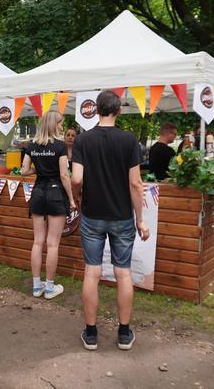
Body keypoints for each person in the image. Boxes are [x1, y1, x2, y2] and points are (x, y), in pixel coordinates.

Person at [71, 90, 149, 351]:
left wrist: (76, 197)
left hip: (92, 215)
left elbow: (77, 179)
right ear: (118, 110)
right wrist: (141, 220)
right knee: (123, 272)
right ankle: (124, 334)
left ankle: (91, 334)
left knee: (92, 272)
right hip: (122, 217)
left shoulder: (83, 141)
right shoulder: (129, 141)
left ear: (95, 109)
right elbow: (136, 184)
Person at [21, 111, 76, 300]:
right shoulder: (60, 146)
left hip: (37, 193)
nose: (62, 126)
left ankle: (37, 287)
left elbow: (24, 171)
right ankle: (50, 288)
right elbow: (63, 175)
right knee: (52, 244)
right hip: (55, 194)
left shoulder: (32, 145)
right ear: (54, 124)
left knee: (37, 241)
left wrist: (39, 167)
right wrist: (71, 199)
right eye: (60, 123)